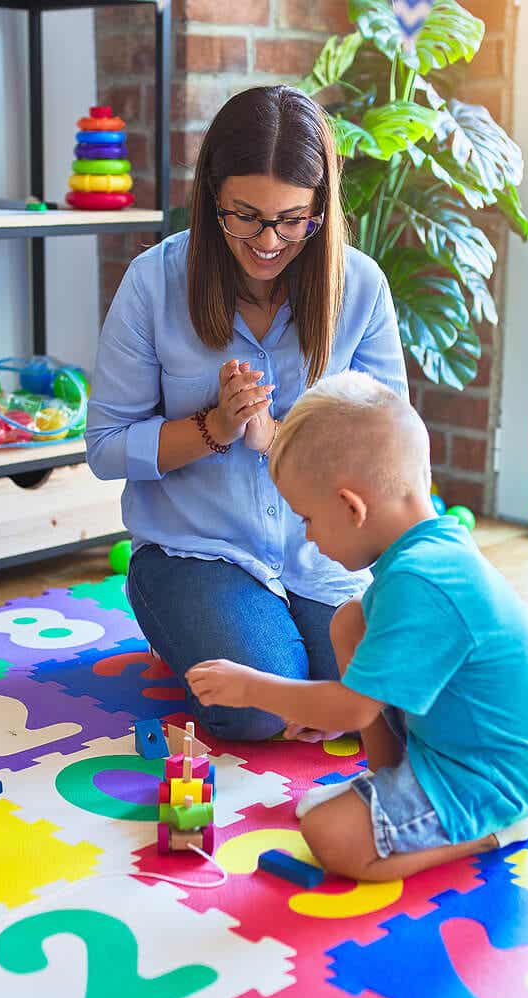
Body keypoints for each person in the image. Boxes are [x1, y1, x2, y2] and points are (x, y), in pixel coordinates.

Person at [85, 85, 405, 741]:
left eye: (293, 219)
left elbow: (388, 456)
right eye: (246, 216)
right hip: (197, 551)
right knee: (262, 709)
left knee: (395, 699)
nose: (269, 241)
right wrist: (215, 429)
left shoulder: (362, 287)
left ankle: (249, 639)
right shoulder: (153, 283)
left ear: (322, 207)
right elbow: (106, 447)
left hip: (323, 556)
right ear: (212, 197)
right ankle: (188, 623)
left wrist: (274, 437)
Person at [185, 373, 528, 882]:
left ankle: (500, 829)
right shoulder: (428, 547)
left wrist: (250, 687)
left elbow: (352, 705)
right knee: (350, 621)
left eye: (308, 519)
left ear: (351, 507)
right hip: (454, 746)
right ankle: (386, 782)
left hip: (492, 778)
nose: (310, 537)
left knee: (330, 837)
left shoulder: (422, 581)